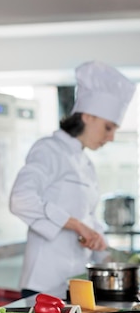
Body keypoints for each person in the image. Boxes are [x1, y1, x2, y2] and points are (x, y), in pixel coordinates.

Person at [9, 60, 136, 298]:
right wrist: (76, 225)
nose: (110, 137)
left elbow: (89, 219)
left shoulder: (84, 163)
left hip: (75, 283)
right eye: (108, 127)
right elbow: (21, 199)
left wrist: (109, 256)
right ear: (88, 116)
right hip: (44, 285)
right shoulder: (48, 149)